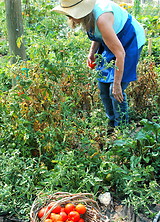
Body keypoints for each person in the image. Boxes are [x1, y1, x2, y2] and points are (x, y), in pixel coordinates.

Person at [52, 0, 146, 129]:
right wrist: (92, 53)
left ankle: (122, 128)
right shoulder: (89, 18)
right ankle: (112, 124)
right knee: (103, 87)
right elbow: (98, 35)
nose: (69, 17)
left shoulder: (102, 18)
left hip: (129, 40)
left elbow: (120, 53)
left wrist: (117, 84)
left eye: (70, 14)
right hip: (113, 41)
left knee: (115, 90)